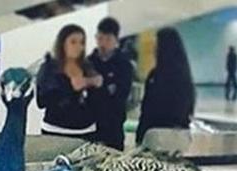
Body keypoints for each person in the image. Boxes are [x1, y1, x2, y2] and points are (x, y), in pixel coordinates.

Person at [37, 24, 102, 139]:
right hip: (56, 130)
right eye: (73, 42)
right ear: (62, 44)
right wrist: (69, 88)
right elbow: (42, 101)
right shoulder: (49, 68)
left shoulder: (88, 66)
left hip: (86, 130)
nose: (78, 47)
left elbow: (95, 101)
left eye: (81, 42)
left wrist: (96, 84)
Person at [137, 27, 196, 146]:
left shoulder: (156, 77)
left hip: (158, 137)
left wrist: (139, 138)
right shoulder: (185, 77)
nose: (154, 49)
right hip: (180, 139)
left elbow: (148, 111)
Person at [87, 17, 135, 150]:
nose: (103, 43)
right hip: (90, 127)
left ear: (116, 41)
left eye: (108, 39)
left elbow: (120, 96)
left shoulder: (124, 65)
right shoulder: (88, 63)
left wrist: (101, 85)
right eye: (100, 38)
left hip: (114, 127)